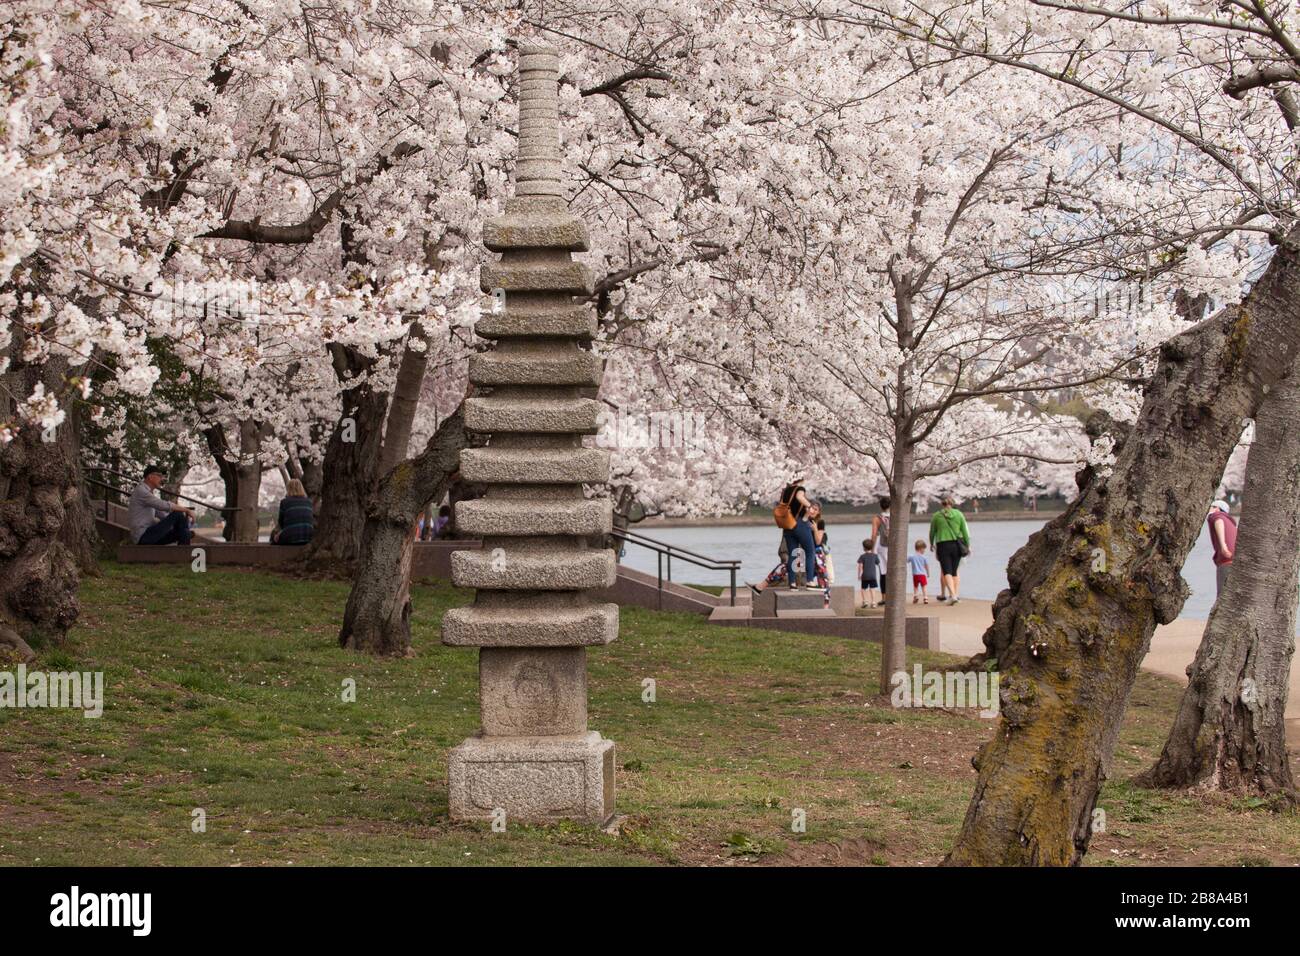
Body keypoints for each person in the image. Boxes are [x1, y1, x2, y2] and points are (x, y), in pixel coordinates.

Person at [129, 465, 194, 546]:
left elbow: (163, 515)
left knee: (181, 532)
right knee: (178, 514)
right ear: (150, 477)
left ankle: (185, 540)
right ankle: (185, 549)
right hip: (143, 536)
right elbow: (163, 505)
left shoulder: (149, 495)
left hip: (150, 536)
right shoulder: (141, 491)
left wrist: (181, 524)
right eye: (159, 476)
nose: (161, 479)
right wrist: (186, 510)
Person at [778, 477, 818, 590]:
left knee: (792, 553)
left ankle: (792, 583)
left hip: (787, 525)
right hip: (799, 523)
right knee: (810, 552)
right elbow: (799, 497)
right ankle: (810, 581)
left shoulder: (785, 491)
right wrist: (810, 506)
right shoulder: (799, 489)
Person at [929, 497, 970, 604]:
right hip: (956, 545)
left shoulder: (937, 516)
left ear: (942, 504)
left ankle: (952, 595)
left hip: (943, 545)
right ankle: (955, 595)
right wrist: (968, 545)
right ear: (952, 504)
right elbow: (964, 531)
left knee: (946, 571)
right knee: (954, 571)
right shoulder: (959, 514)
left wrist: (931, 543)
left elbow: (932, 531)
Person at [270, 478, 314, 545]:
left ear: (288, 489)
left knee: (273, 535)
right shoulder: (309, 502)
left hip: (290, 538)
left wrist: (278, 534)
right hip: (308, 537)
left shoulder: (284, 502)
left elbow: (281, 523)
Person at [1207, 498, 1237, 595]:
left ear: (1217, 508)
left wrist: (1223, 546)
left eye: (1211, 507)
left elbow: (1218, 521)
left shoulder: (1216, 515)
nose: (1208, 510)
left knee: (1222, 595)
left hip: (1226, 560)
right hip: (1236, 561)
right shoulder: (1231, 522)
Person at [869, 497, 891, 598]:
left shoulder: (877, 518)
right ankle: (894, 595)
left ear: (880, 506)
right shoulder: (896, 516)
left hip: (882, 546)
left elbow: (874, 534)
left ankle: (884, 596)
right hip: (894, 546)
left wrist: (872, 548)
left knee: (884, 571)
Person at [857, 540, 882, 608]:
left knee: (863, 589)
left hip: (865, 575)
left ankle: (865, 601)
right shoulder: (875, 556)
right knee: (872, 588)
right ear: (872, 547)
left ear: (864, 548)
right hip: (873, 575)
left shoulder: (862, 556)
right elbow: (878, 563)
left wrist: (859, 575)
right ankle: (873, 602)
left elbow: (860, 566)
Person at [908, 540, 931, 605]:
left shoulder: (912, 556)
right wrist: (928, 573)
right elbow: (926, 566)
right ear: (921, 549)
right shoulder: (924, 557)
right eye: (924, 549)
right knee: (924, 586)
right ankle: (925, 598)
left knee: (916, 586)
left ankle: (916, 596)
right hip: (922, 575)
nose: (924, 551)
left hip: (915, 575)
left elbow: (906, 560)